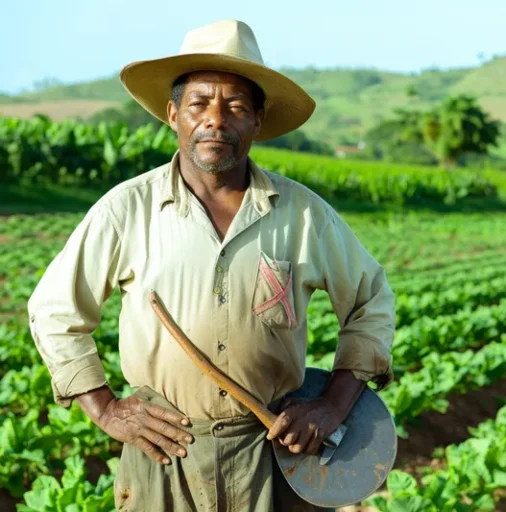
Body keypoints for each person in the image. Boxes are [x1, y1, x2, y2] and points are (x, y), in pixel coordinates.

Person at [27, 19, 395, 511]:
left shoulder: (304, 214)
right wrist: (107, 409)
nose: (216, 120)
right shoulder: (126, 209)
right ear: (174, 113)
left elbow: (371, 300)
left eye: (236, 106)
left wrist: (333, 403)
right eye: (199, 103)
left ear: (257, 121)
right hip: (164, 451)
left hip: (276, 451)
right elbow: (54, 311)